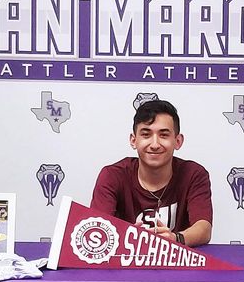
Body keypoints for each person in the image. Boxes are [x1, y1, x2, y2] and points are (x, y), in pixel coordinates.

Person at [91, 99, 212, 247]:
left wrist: (175, 239)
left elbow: (204, 229)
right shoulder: (112, 176)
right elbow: (96, 230)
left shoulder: (194, 174)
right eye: (146, 135)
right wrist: (126, 238)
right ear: (133, 140)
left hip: (178, 265)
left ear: (178, 141)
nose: (154, 144)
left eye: (164, 135)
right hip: (124, 264)